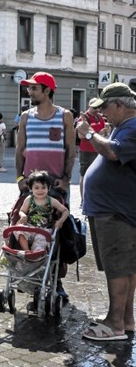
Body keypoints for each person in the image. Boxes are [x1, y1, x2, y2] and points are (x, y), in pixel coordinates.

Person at [76, 83, 136, 342]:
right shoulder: (126, 127)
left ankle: (114, 325)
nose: (102, 114)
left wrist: (89, 134)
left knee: (118, 268)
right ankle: (126, 319)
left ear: (119, 105)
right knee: (127, 267)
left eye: (105, 108)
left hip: (116, 212)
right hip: (116, 209)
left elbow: (113, 152)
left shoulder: (132, 127)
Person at [16, 72, 76, 299]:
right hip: (31, 186)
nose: (29, 92)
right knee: (30, 227)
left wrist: (67, 178)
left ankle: (57, 281)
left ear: (47, 90)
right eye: (28, 88)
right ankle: (32, 274)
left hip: (57, 186)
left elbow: (71, 150)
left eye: (33, 88)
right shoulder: (25, 117)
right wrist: (19, 179)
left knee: (57, 233)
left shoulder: (64, 116)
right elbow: (20, 150)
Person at [14, 170, 68, 252]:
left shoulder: (52, 201)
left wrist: (61, 220)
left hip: (44, 229)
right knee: (19, 230)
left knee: (42, 240)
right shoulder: (29, 199)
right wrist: (23, 216)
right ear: (31, 188)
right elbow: (22, 210)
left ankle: (36, 253)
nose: (40, 190)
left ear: (48, 188)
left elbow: (65, 211)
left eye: (43, 187)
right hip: (30, 227)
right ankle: (26, 250)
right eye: (36, 188)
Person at [77, 98, 108, 206]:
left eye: (98, 107)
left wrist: (104, 132)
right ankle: (83, 200)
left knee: (98, 175)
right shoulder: (84, 118)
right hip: (86, 151)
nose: (97, 110)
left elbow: (101, 134)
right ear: (89, 106)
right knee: (85, 175)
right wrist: (96, 133)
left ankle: (96, 198)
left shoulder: (99, 117)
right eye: (94, 107)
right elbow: (81, 135)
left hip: (98, 150)